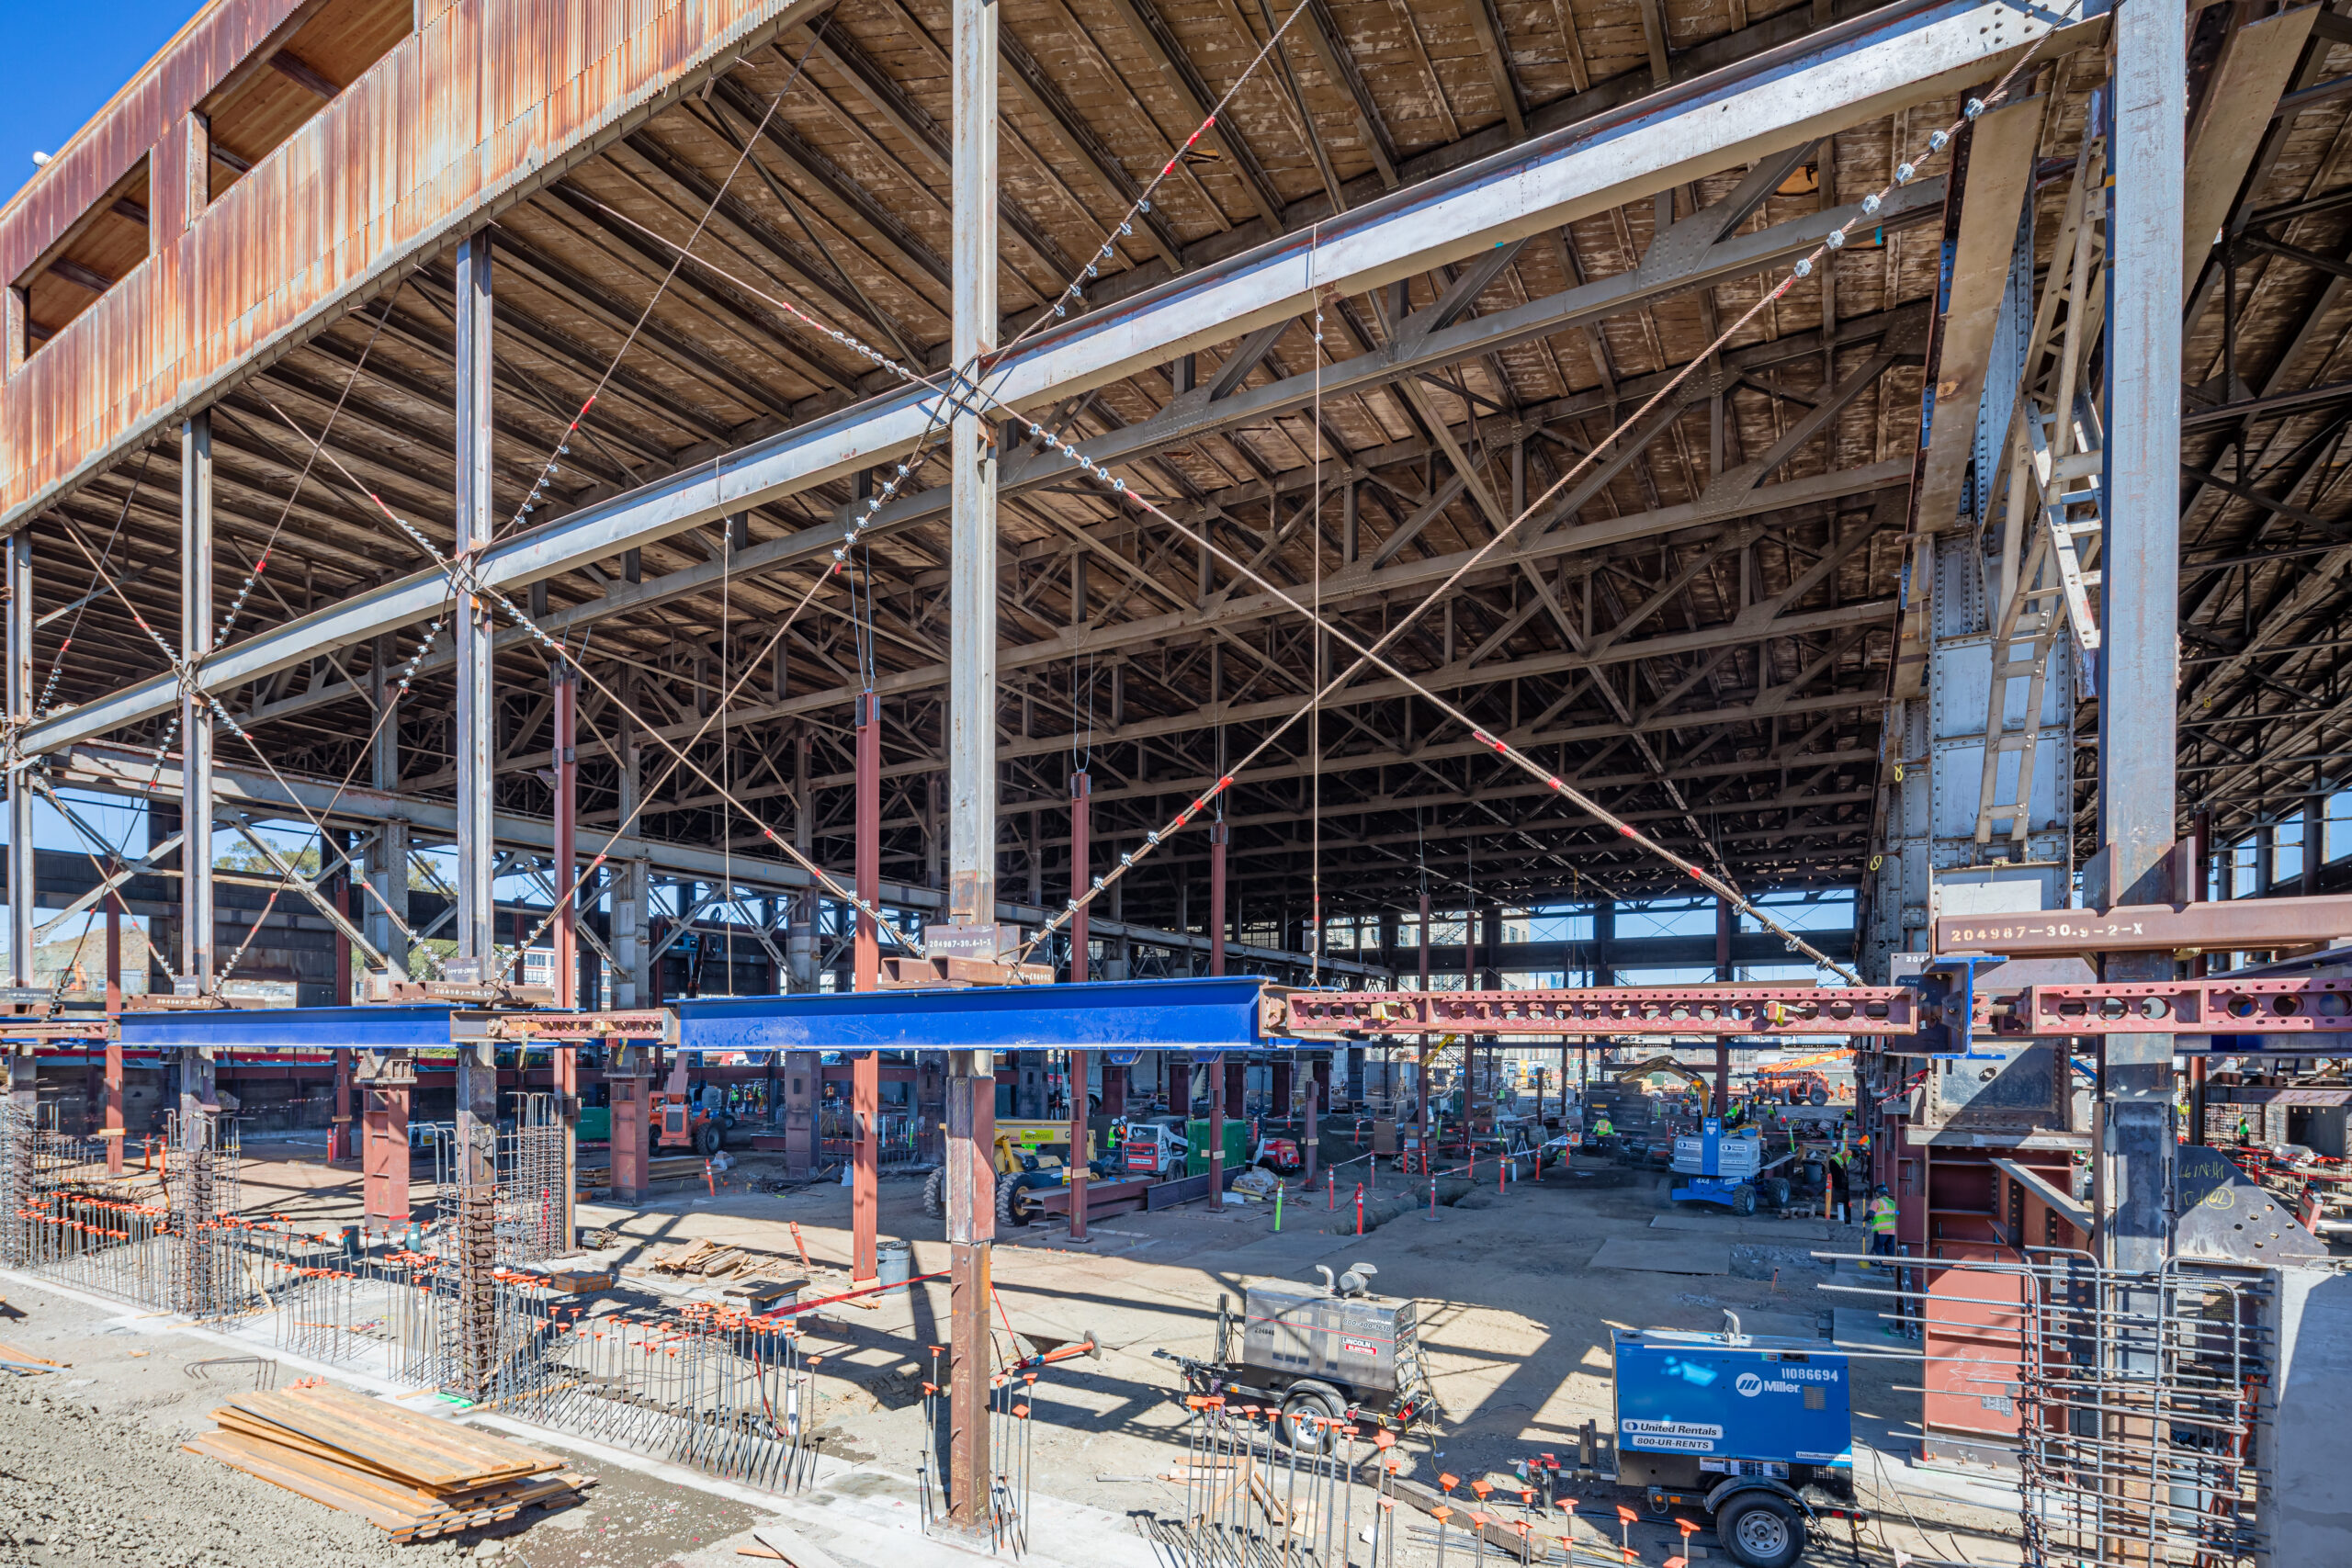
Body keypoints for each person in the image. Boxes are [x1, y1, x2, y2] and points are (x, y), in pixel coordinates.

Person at [1864, 1183, 1897, 1267]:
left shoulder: (1877, 1202)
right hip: (1893, 1230)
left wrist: (1865, 1219)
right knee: (1890, 1249)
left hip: (1881, 1230)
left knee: (1878, 1247)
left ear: (1877, 1193)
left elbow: (1871, 1214)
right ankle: (1892, 1269)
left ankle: (1885, 1268)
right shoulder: (1893, 1203)